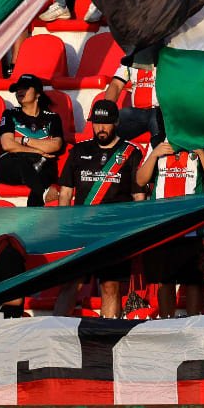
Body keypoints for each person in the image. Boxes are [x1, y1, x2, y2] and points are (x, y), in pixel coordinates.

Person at [56, 100, 144, 318]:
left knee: (110, 286)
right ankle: (52, 334)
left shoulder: (131, 153)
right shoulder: (78, 151)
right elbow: (66, 193)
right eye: (96, 123)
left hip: (114, 233)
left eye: (105, 123)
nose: (100, 128)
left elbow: (138, 197)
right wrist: (63, 229)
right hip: (81, 229)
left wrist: (134, 233)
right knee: (70, 285)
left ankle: (109, 334)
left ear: (116, 122)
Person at [136, 141, 204, 318]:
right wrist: (154, 155)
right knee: (164, 279)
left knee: (193, 280)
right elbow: (140, 180)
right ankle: (167, 323)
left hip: (193, 226)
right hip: (162, 226)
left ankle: (192, 323)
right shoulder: (157, 142)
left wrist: (201, 152)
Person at [0, 73, 64, 207]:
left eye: (25, 88)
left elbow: (55, 145)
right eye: (18, 89)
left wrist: (23, 140)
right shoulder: (10, 114)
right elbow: (7, 144)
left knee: (44, 172)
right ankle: (43, 192)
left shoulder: (52, 118)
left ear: (37, 94)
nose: (20, 91)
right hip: (10, 165)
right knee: (24, 165)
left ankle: (33, 220)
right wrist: (37, 150)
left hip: (40, 165)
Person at [103, 58, 163, 144]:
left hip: (159, 110)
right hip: (137, 112)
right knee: (111, 119)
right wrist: (107, 108)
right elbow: (116, 84)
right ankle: (106, 154)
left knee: (156, 120)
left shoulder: (167, 54)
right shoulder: (131, 57)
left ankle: (160, 154)